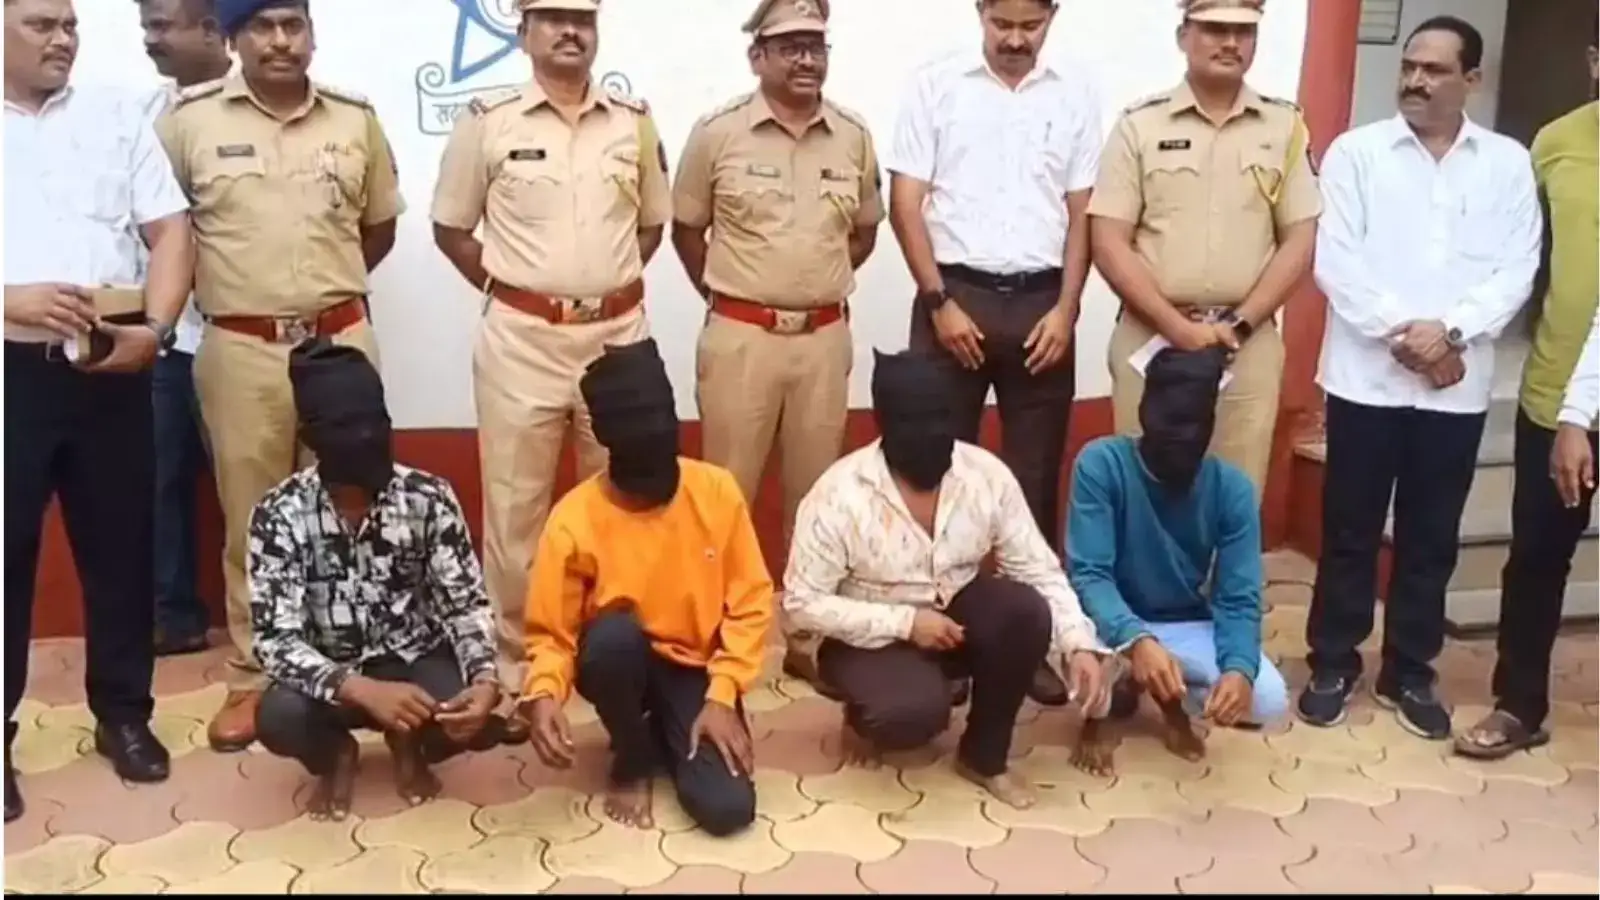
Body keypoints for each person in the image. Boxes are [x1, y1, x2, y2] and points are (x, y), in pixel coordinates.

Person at [153, 0, 405, 753]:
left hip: (340, 338)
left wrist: (323, 298)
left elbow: (377, 228)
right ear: (232, 39)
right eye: (261, 26)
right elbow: (163, 232)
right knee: (255, 518)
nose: (280, 40)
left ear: (312, 35)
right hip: (242, 348)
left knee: (358, 506)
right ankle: (254, 675)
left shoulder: (355, 120)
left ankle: (362, 662)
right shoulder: (188, 124)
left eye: (293, 25)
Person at [431, 0, 671, 734]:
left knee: (625, 506)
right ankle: (518, 674)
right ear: (524, 31)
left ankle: (619, 663)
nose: (571, 31)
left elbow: (651, 227)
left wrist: (596, 293)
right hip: (523, 342)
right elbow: (451, 227)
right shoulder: (488, 120)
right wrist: (525, 293)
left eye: (583, 19)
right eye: (553, 17)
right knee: (516, 514)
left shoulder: (633, 121)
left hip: (617, 336)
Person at [1298, 15, 1541, 739]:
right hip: (1365, 381)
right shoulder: (1358, 153)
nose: (1415, 80)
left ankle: (1409, 669)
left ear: (1473, 79)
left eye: (1434, 70)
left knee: (1431, 537)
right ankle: (1333, 661)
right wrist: (1412, 338)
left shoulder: (1506, 164)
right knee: (1350, 528)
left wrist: (1452, 333)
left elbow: (1517, 267)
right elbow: (1336, 261)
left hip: (1454, 392)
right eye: (1410, 66)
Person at [4, 0, 195, 822]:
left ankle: (123, 716)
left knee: (121, 549)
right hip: (8, 371)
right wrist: (9, 298)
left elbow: (172, 231)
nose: (61, 39)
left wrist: (156, 329)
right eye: (40, 24)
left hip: (110, 362)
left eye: (70, 25)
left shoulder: (118, 118)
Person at [885, 0, 1104, 706]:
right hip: (955, 298)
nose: (1014, 39)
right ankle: (942, 642)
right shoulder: (936, 83)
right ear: (980, 12)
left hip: (1042, 305)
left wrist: (1067, 310)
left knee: (1032, 480)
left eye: (1029, 26)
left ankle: (1026, 639)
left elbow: (1083, 213)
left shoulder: (1075, 93)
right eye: (1001, 23)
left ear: (1052, 17)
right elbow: (905, 202)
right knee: (936, 475)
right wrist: (938, 301)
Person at [783, 349, 1110, 810]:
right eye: (913, 421)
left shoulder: (984, 475)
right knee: (910, 715)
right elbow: (801, 603)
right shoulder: (838, 495)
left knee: (1024, 612)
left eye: (942, 417)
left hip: (956, 613)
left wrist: (1077, 643)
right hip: (866, 637)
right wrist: (906, 623)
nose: (932, 432)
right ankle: (863, 714)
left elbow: (1037, 568)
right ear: (883, 421)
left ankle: (983, 757)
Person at [670, 0, 883, 676]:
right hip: (742, 338)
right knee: (724, 493)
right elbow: (686, 230)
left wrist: (812, 284)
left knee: (817, 497)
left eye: (816, 46)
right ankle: (715, 634)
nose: (805, 60)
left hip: (822, 339)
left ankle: (808, 638)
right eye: (789, 47)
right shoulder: (718, 134)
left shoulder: (852, 136)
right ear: (757, 56)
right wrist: (735, 294)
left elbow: (864, 232)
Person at [521, 339, 771, 837]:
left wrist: (722, 696)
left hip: (697, 669)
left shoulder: (716, 491)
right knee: (612, 640)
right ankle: (632, 755)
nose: (655, 433)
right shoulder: (573, 520)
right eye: (638, 426)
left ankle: (667, 729)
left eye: (663, 418)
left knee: (727, 809)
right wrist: (544, 693)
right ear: (607, 438)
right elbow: (551, 635)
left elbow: (751, 604)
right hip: (621, 662)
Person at [249, 339, 502, 822]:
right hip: (332, 675)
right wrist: (359, 688)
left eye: (376, 421)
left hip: (414, 662)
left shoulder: (428, 497)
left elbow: (466, 605)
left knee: (467, 710)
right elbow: (275, 640)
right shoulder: (279, 513)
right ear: (310, 438)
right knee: (279, 718)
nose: (367, 436)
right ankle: (336, 754)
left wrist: (485, 678)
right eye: (348, 427)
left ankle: (410, 743)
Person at [1088, 0, 1320, 497]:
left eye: (1244, 32)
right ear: (1183, 36)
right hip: (1152, 339)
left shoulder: (1284, 128)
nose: (1230, 43)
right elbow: (1108, 240)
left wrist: (1238, 325)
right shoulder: (1140, 126)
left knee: (1236, 490)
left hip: (1247, 345)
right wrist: (1176, 327)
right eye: (1215, 29)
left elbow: (1299, 239)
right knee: (1145, 489)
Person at [1458, 38, 1599, 760]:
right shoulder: (1555, 144)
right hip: (1556, 390)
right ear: (1593, 59)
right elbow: (1522, 251)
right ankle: (1519, 705)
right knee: (1538, 556)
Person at [1066, 347, 1287, 776]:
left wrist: (1239, 670)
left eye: (1193, 430)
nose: (1180, 443)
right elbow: (1089, 575)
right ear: (1145, 414)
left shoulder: (1232, 489)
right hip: (1103, 618)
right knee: (1069, 640)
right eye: (1170, 428)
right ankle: (1108, 699)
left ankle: (1153, 684)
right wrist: (1135, 640)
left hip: (1180, 622)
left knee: (1267, 698)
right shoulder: (1101, 464)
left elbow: (1238, 597)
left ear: (1210, 426)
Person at [135, 0, 233, 657]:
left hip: (242, 333)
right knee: (157, 478)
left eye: (162, 26)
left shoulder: (266, 104)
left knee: (255, 483)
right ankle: (174, 616)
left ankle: (282, 625)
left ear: (211, 29)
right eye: (146, 27)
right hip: (167, 338)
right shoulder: (145, 117)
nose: (151, 40)